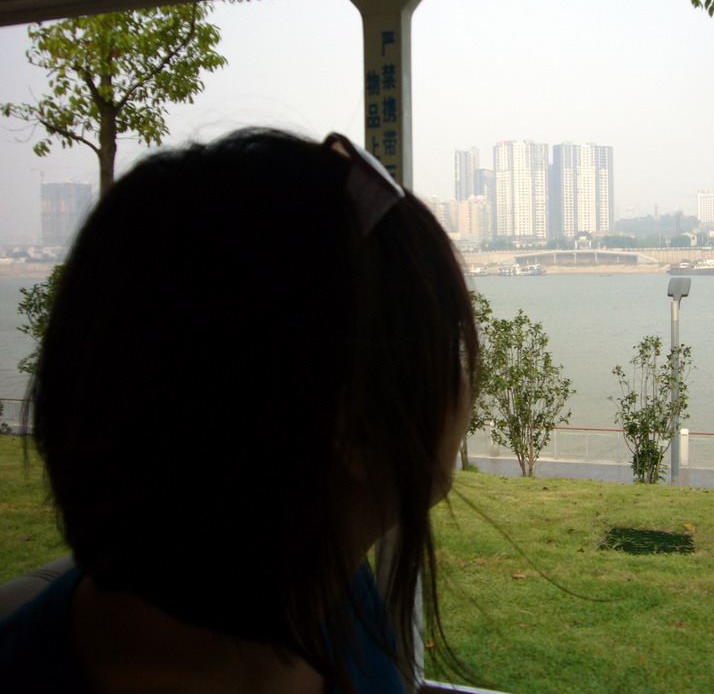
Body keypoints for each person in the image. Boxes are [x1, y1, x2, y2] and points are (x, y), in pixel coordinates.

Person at [0, 128, 478, 693]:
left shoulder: (324, 579)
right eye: (448, 341)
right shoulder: (313, 569)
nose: (471, 376)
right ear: (362, 428)